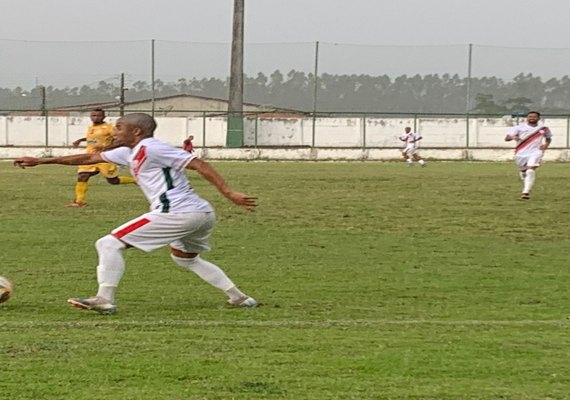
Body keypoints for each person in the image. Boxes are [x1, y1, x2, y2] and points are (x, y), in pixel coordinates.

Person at [14, 113, 258, 314]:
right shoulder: (128, 151)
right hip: (200, 213)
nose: (114, 131)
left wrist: (229, 192)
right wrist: (41, 162)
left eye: (119, 128)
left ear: (137, 132)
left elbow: (198, 163)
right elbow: (89, 156)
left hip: (176, 212)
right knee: (185, 258)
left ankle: (104, 299)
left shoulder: (152, 148)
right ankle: (239, 298)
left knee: (108, 243)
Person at [66, 108, 137, 208]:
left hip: (104, 158)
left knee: (113, 181)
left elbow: (120, 141)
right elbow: (94, 139)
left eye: (98, 116)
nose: (95, 118)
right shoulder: (91, 127)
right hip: (89, 157)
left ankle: (134, 180)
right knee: (82, 176)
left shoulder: (109, 128)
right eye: (93, 115)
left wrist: (105, 148)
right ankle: (79, 202)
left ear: (104, 117)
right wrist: (80, 140)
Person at [504, 111, 552, 200]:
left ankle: (525, 192)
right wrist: (512, 137)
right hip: (520, 153)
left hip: (536, 152)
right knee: (524, 171)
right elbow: (506, 138)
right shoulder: (519, 127)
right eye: (530, 116)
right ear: (527, 118)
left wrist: (546, 145)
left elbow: (548, 138)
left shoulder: (544, 128)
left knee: (530, 170)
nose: (532, 118)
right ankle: (525, 177)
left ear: (538, 118)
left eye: (534, 116)